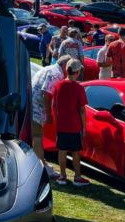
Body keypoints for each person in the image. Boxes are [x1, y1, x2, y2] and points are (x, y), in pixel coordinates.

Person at [30, 55, 70, 177]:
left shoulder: (49, 68)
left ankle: (40, 162)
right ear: (64, 65)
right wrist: (48, 114)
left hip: (33, 103)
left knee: (36, 136)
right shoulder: (56, 74)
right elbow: (46, 93)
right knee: (37, 136)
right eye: (68, 67)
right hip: (37, 106)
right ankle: (40, 167)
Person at [53, 58, 90, 186]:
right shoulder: (78, 88)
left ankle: (62, 176)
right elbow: (82, 110)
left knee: (62, 150)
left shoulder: (58, 85)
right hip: (74, 125)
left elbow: (54, 105)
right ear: (77, 72)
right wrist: (84, 127)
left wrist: (58, 119)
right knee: (75, 152)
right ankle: (77, 177)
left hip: (62, 124)